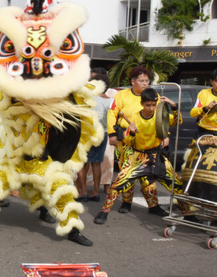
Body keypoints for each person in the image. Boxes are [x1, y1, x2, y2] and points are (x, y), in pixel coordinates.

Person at [94, 88, 180, 225]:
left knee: (177, 184)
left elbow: (176, 121)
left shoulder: (160, 114)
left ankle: (189, 214)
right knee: (118, 184)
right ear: (142, 104)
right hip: (137, 156)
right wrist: (131, 133)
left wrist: (173, 106)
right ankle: (104, 211)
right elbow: (128, 141)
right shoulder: (134, 117)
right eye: (148, 105)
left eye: (153, 105)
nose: (151, 108)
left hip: (156, 155)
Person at [106, 65, 152, 214]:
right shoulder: (122, 95)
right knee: (126, 171)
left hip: (147, 140)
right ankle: (126, 202)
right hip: (126, 140)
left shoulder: (151, 96)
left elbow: (160, 118)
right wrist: (112, 133)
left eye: (147, 81)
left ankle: (153, 205)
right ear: (133, 81)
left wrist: (165, 136)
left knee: (148, 173)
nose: (145, 84)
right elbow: (112, 113)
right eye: (142, 81)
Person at [76, 68, 114, 202]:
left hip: (86, 134)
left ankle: (84, 191)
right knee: (96, 164)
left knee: (81, 163)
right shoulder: (111, 101)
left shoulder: (88, 99)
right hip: (102, 134)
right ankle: (96, 192)